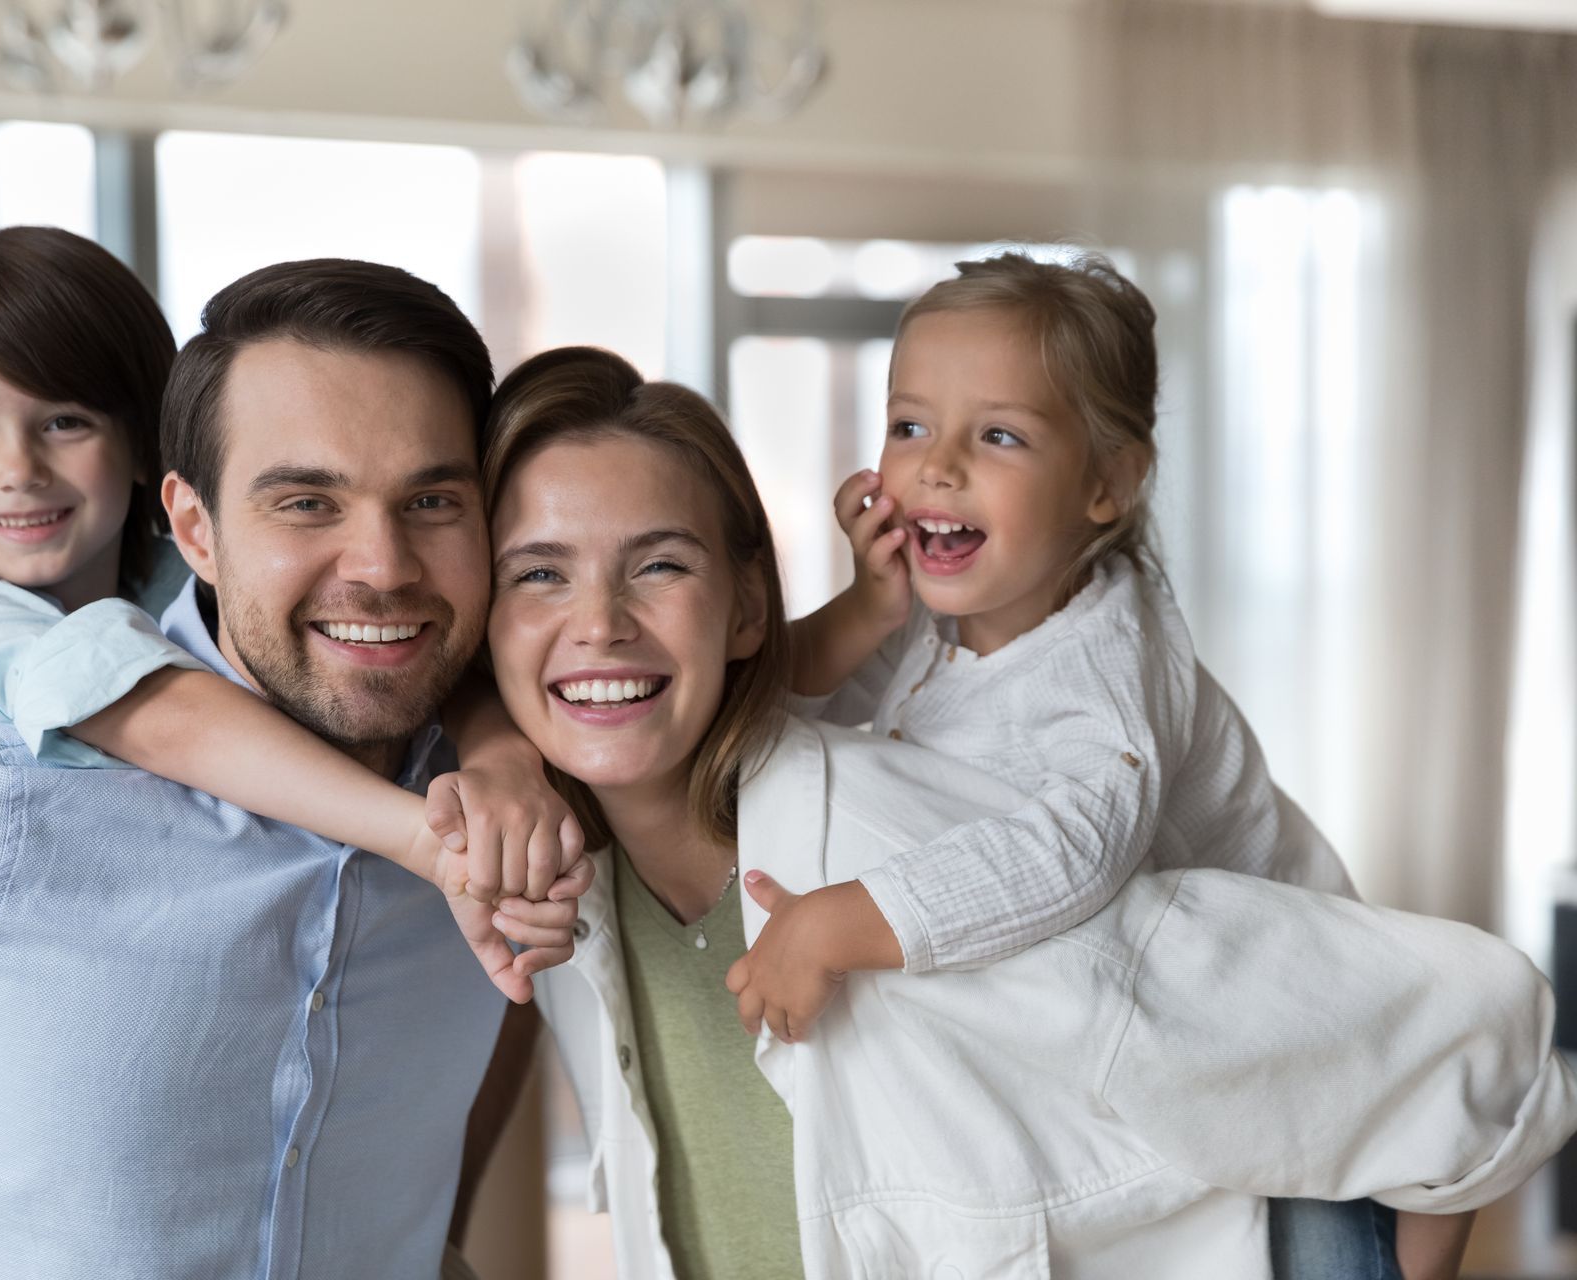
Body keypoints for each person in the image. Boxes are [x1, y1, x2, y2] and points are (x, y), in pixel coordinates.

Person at [482, 345, 1577, 1279]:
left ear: (749, 607)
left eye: (659, 564)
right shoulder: (556, 891)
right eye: (538, 575)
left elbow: (1468, 1025)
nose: (599, 623)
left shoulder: (915, 856)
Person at [0, 257, 574, 1280]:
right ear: (195, 527)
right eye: (306, 502)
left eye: (434, 499)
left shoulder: (521, 804)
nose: (383, 564)